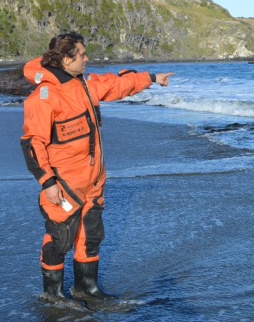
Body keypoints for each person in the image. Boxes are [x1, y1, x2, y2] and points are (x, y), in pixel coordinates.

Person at [20, 31, 174, 305]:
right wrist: (47, 181)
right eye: (82, 54)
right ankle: (53, 295)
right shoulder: (44, 97)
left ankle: (87, 289)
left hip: (93, 180)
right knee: (59, 237)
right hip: (64, 183)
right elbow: (33, 144)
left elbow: (116, 85)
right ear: (66, 59)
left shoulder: (85, 83)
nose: (87, 58)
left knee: (91, 236)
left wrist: (150, 78)